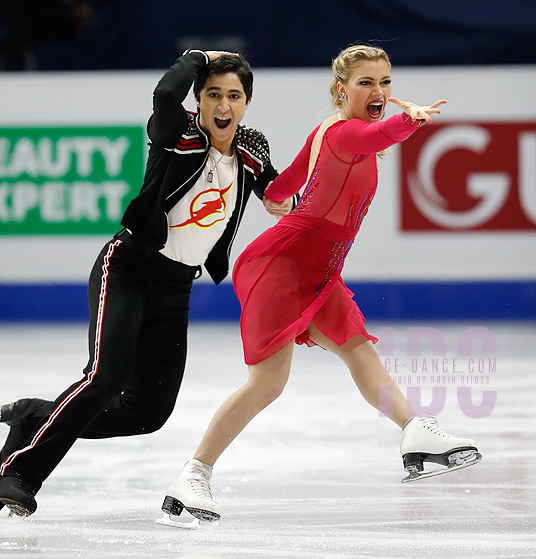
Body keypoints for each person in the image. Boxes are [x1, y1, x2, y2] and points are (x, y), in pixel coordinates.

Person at [161, 44, 482, 524]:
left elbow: (279, 186)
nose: (379, 92)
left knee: (358, 349)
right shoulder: (349, 133)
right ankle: (193, 474)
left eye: (385, 83)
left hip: (320, 269)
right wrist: (409, 120)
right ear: (342, 89)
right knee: (268, 383)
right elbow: (382, 134)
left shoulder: (327, 133)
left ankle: (416, 431)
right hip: (283, 264)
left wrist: (275, 197)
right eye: (366, 83)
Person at [0, 49, 295, 518]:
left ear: (247, 102)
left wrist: (282, 200)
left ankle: (33, 415)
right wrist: (200, 56)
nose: (223, 105)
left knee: (149, 413)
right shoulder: (179, 135)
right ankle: (20, 474)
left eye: (234, 95)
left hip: (176, 288)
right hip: (128, 267)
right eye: (213, 95)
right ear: (199, 100)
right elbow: (165, 92)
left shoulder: (251, 148)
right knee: (105, 376)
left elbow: (275, 187)